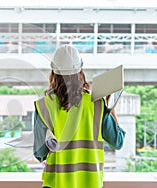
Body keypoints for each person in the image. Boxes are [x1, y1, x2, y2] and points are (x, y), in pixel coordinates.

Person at [33, 45, 126, 188]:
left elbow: (40, 153)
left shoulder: (44, 105)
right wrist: (110, 110)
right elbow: (117, 142)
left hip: (56, 184)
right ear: (80, 71)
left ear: (53, 73)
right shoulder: (96, 105)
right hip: (90, 183)